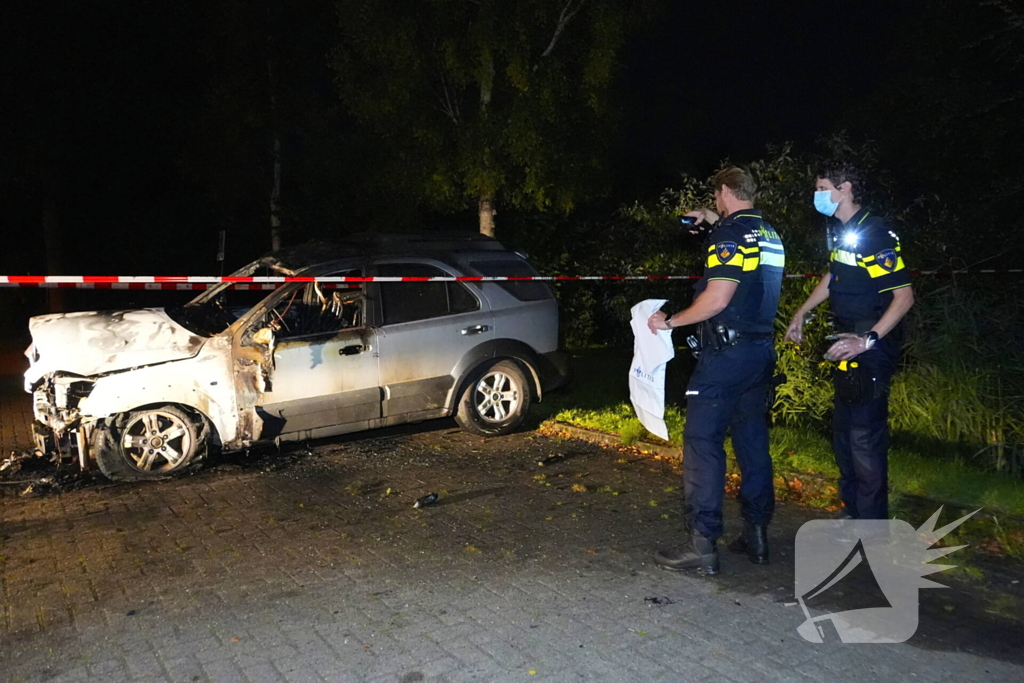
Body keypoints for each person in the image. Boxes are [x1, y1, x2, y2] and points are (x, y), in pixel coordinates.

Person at [648, 166, 785, 574]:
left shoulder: (728, 236)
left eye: (716, 196)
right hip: (759, 353)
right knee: (752, 443)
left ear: (724, 191)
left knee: (703, 444)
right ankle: (757, 536)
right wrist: (712, 219)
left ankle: (702, 545)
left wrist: (669, 322)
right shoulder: (770, 235)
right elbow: (747, 272)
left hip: (725, 357)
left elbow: (718, 298)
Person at [784, 162, 914, 521]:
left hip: (869, 346)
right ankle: (853, 510)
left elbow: (904, 297)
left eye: (822, 187)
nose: (817, 195)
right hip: (846, 341)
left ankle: (872, 526)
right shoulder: (845, 231)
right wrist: (802, 311)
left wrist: (867, 340)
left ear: (846, 188)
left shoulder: (874, 233)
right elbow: (834, 274)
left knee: (863, 439)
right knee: (844, 434)